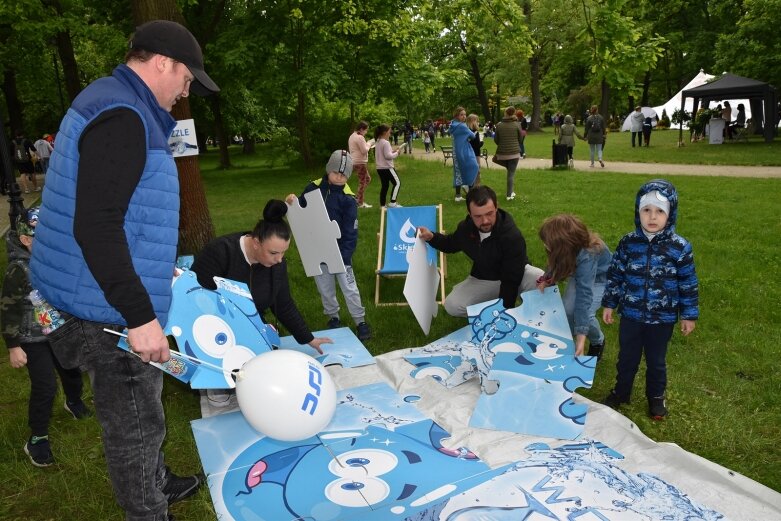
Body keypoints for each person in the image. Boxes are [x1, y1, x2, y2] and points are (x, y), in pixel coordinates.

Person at [29, 20, 219, 520]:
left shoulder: (116, 99)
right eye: (187, 77)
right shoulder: (124, 116)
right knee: (133, 424)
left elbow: (122, 209)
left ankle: (158, 481)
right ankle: (148, 510)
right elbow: (96, 225)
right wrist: (139, 315)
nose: (187, 90)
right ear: (164, 63)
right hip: (105, 307)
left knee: (145, 413)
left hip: (96, 290)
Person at [1, 207, 93, 468]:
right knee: (45, 386)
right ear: (26, 240)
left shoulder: (57, 261)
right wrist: (13, 346)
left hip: (58, 331)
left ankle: (73, 402)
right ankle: (37, 438)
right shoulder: (18, 270)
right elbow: (8, 309)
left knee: (73, 370)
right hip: (31, 339)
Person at [601, 179, 699, 420]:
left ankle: (656, 398)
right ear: (638, 211)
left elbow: (688, 283)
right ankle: (621, 392)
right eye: (646, 210)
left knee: (656, 361)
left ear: (670, 214)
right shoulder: (628, 243)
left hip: (662, 319)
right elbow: (615, 275)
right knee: (627, 358)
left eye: (659, 211)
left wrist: (688, 315)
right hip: (631, 315)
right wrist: (610, 303)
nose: (652, 217)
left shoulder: (680, 247)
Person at [191, 199, 334, 351]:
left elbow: (283, 305)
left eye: (283, 252)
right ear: (256, 243)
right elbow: (195, 296)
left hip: (250, 324)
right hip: (212, 326)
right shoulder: (219, 252)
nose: (279, 259)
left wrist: (308, 338)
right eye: (273, 253)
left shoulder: (276, 263)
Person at [416, 185, 544, 318]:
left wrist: (504, 313)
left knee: (539, 278)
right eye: (478, 216)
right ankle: (488, 312)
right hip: (485, 278)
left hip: (517, 275)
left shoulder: (511, 236)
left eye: (489, 213)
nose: (485, 221)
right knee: (452, 305)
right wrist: (432, 237)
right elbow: (450, 244)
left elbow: (511, 279)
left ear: (496, 207)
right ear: (469, 213)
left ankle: (531, 316)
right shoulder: (466, 229)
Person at [286, 151, 371, 341]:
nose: (339, 177)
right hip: (318, 250)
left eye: (344, 175)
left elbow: (351, 231)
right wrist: (292, 201)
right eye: (336, 173)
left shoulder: (348, 199)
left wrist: (345, 256)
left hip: (341, 254)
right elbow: (301, 209)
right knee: (325, 288)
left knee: (349, 289)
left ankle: (360, 321)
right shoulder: (313, 188)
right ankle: (333, 317)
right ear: (328, 170)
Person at [536, 214, 611, 358]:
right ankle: (567, 340)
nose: (545, 245)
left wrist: (581, 338)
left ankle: (598, 341)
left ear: (563, 246)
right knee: (568, 310)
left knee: (585, 314)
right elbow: (554, 261)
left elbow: (584, 296)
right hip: (581, 275)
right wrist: (547, 278)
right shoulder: (566, 248)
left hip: (601, 279)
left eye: (548, 244)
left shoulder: (588, 254)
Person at [493, 106, 524, 201]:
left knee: (495, 160)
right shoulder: (517, 124)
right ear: (513, 113)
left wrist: (502, 144)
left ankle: (511, 193)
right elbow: (521, 139)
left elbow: (496, 140)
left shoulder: (499, 125)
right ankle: (509, 195)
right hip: (514, 152)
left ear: (505, 113)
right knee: (511, 173)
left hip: (502, 152)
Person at [449, 107, 479, 202]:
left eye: (465, 114)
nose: (464, 116)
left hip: (456, 151)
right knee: (474, 167)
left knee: (458, 172)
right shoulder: (462, 126)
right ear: (457, 115)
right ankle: (469, 192)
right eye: (461, 114)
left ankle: (458, 195)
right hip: (464, 151)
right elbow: (473, 136)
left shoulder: (453, 124)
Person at [374, 124, 402, 208]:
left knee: (385, 186)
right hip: (387, 168)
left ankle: (382, 205)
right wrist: (397, 153)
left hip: (380, 168)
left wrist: (394, 151)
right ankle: (393, 202)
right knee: (397, 183)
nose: (390, 134)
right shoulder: (385, 142)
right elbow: (388, 156)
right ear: (384, 132)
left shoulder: (378, 141)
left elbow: (386, 153)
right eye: (389, 132)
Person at [348, 121, 374, 209]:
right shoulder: (359, 137)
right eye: (366, 130)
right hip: (360, 162)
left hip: (355, 161)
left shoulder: (352, 136)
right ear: (362, 129)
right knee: (363, 181)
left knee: (367, 179)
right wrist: (370, 143)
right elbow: (364, 150)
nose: (366, 132)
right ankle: (360, 202)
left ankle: (357, 198)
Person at [466, 113, 483, 185]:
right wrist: (482, 142)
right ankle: (476, 188)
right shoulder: (475, 132)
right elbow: (477, 145)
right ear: (473, 121)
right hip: (475, 154)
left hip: (467, 153)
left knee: (469, 170)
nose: (478, 122)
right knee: (477, 171)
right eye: (477, 121)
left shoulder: (466, 131)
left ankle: (468, 185)